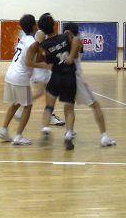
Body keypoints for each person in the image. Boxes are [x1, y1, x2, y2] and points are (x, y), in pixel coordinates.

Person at [0, 14, 51, 145]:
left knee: (16, 103)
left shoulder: (24, 38)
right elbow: (29, 63)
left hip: (11, 73)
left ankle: (3, 129)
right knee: (28, 106)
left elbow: (36, 56)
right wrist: (45, 66)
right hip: (20, 77)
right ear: (34, 26)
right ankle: (18, 136)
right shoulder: (32, 42)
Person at [64, 22, 116, 147]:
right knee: (95, 105)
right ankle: (104, 136)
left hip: (64, 79)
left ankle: (69, 133)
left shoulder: (63, 44)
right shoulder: (77, 42)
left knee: (69, 106)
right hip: (75, 78)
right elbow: (74, 54)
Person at [37, 13, 80, 150]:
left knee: (49, 106)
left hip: (55, 77)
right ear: (54, 25)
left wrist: (40, 47)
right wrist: (71, 56)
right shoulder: (66, 36)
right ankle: (68, 134)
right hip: (69, 77)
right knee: (69, 109)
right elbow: (77, 40)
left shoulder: (44, 45)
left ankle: (45, 128)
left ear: (42, 30)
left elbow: (39, 59)